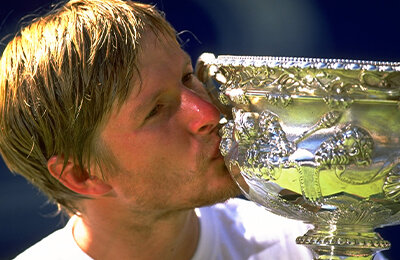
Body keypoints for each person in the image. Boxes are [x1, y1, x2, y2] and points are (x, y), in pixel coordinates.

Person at [0, 0, 382, 259]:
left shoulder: (308, 244)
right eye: (156, 111)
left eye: (188, 77)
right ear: (83, 175)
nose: (208, 112)